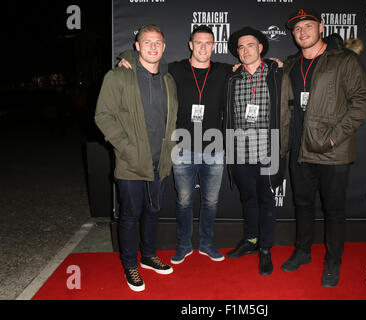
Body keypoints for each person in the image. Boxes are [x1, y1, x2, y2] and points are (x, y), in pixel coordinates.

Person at [118, 25, 232, 264]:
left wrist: (273, 63)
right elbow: (146, 61)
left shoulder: (225, 70)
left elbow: (249, 63)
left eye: (208, 43)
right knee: (184, 201)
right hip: (182, 148)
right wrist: (126, 59)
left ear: (214, 46)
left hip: (215, 148)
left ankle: (207, 244)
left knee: (211, 202)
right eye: (198, 42)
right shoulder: (175, 69)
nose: (203, 47)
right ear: (190, 44)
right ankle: (183, 245)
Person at [279, 9, 366, 288]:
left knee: (333, 210)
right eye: (297, 29)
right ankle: (303, 251)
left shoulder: (344, 60)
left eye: (308, 26)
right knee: (302, 204)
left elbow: (362, 102)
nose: (302, 32)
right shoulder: (291, 64)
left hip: (333, 152)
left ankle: (333, 261)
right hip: (299, 149)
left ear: (320, 27)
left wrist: (334, 138)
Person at [95, 24, 178, 292]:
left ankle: (148, 255)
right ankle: (130, 263)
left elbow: (171, 119)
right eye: (147, 42)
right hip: (131, 162)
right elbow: (103, 116)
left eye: (158, 42)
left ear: (164, 47)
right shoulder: (118, 76)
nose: (153, 47)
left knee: (153, 211)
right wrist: (126, 148)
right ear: (137, 46)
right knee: (131, 215)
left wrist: (170, 149)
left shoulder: (168, 79)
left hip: (160, 161)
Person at [225, 27, 285, 276]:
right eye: (240, 47)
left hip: (267, 150)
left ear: (260, 48)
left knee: (266, 200)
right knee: (247, 199)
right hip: (239, 151)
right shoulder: (232, 78)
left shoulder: (277, 73)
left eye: (250, 45)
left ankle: (265, 249)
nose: (244, 50)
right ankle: (250, 241)